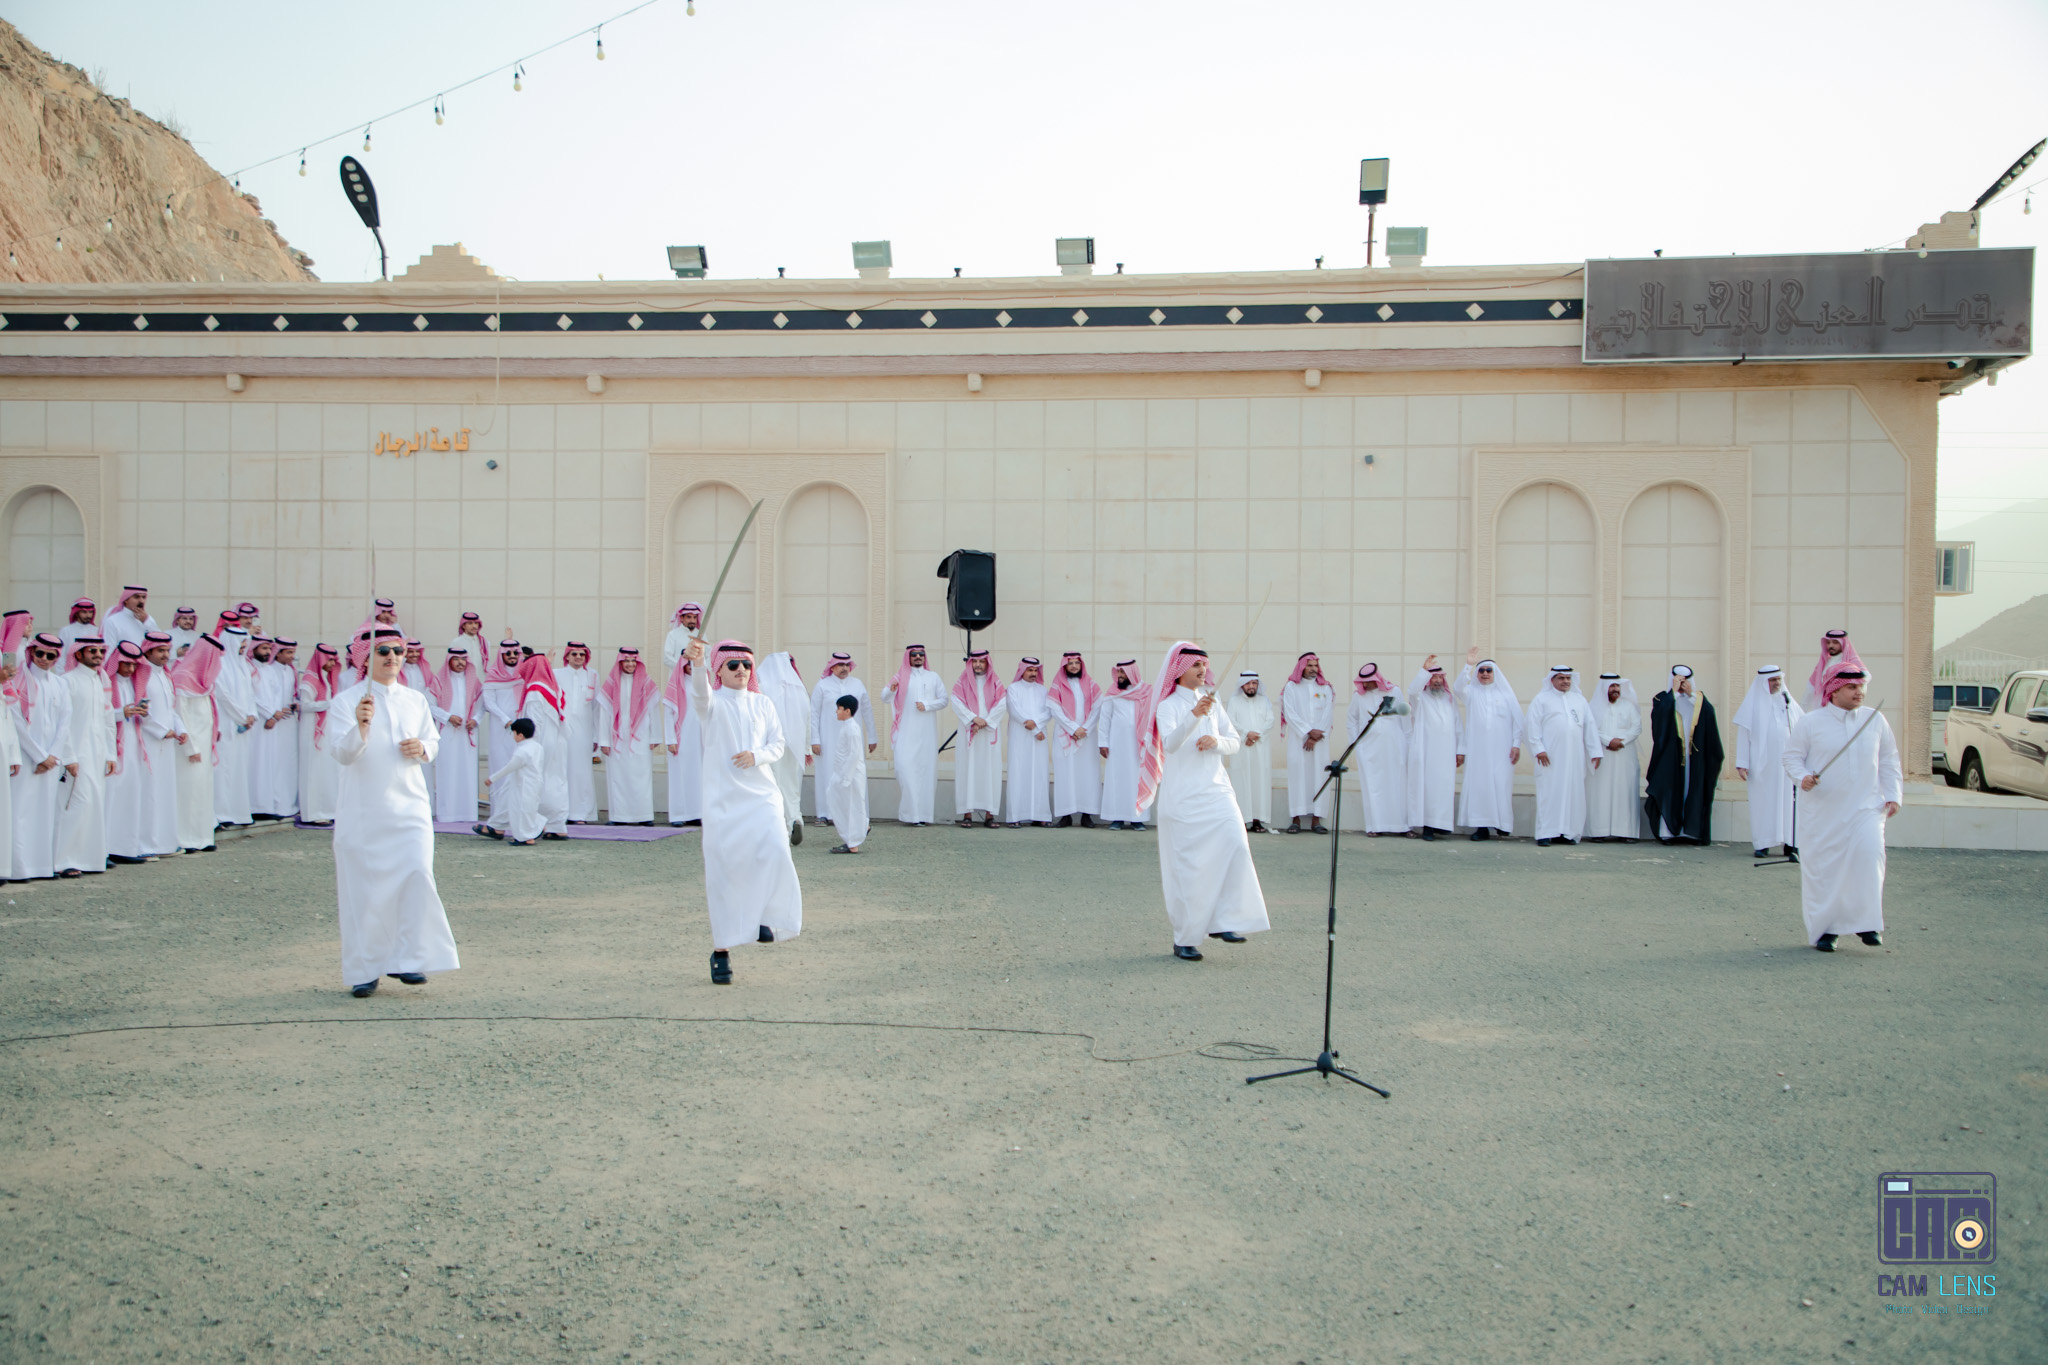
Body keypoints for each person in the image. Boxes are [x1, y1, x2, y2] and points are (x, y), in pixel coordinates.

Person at [332, 629, 459, 997]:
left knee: (417, 875)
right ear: (365, 657)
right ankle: (365, 969)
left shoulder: (415, 699)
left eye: (398, 651)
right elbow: (342, 754)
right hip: (363, 812)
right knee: (364, 890)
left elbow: (432, 741)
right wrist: (360, 726)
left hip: (410, 808)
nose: (392, 657)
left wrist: (422, 748)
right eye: (383, 650)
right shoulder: (346, 702)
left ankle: (409, 959)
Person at [1134, 643, 1269, 962]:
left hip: (1216, 790)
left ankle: (1225, 920)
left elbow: (1234, 742)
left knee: (1236, 844)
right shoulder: (1168, 706)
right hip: (1182, 796)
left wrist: (1216, 741)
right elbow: (1170, 743)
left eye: (1204, 666)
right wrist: (1194, 716)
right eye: (1196, 665)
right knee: (1189, 867)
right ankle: (1185, 938)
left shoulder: (1213, 700)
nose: (1203, 670)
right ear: (1180, 670)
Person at [683, 638, 803, 985]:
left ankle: (765, 916)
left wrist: (756, 755)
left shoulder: (763, 703)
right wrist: (698, 663)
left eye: (747, 665)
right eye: (733, 665)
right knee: (725, 871)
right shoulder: (712, 703)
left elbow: (777, 744)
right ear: (720, 670)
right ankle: (721, 950)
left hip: (762, 796)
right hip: (723, 800)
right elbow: (700, 694)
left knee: (775, 850)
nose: (741, 671)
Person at [1783, 666, 1900, 952]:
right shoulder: (1811, 722)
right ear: (1834, 691)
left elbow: (1889, 758)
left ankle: (1867, 923)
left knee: (1869, 858)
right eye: (1852, 688)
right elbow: (1791, 757)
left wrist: (1893, 794)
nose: (1859, 692)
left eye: (1862, 687)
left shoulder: (1875, 719)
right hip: (1823, 812)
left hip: (1866, 808)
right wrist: (1803, 777)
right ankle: (1828, 930)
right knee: (1827, 870)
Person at [104, 640, 184, 862]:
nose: (130, 669)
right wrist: (122, 713)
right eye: (126, 664)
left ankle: (128, 848)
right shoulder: (107, 683)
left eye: (133, 665)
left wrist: (143, 713)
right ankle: (109, 848)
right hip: (113, 745)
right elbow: (99, 714)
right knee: (114, 796)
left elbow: (147, 714)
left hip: (135, 745)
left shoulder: (134, 684)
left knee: (133, 796)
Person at [8, 633, 73, 880]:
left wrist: (53, 755)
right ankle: (19, 869)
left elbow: (65, 721)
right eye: (40, 653)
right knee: (21, 812)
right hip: (27, 758)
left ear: (57, 658)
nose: (44, 659)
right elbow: (17, 721)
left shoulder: (60, 684)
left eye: (50, 655)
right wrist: (39, 756)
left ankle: (42, 867)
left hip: (50, 761)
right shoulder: (19, 681)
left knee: (45, 813)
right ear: (31, 652)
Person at [1644, 664, 1724, 845]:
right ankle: (1668, 833)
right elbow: (1659, 722)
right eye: (1678, 681)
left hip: (1694, 759)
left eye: (1684, 681)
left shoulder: (1699, 701)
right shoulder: (1662, 699)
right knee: (1670, 790)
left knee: (1693, 791)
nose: (1681, 685)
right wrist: (1672, 693)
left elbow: (1709, 718)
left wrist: (1691, 695)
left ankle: (1691, 833)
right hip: (1671, 758)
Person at [54, 636, 113, 878]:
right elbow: (63, 723)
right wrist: (68, 756)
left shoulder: (100, 680)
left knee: (94, 803)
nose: (98, 655)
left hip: (97, 753)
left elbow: (107, 720)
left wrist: (111, 754)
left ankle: (90, 858)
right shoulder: (67, 681)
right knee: (77, 803)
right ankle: (64, 860)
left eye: (101, 651)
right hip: (77, 754)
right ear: (78, 654)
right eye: (92, 651)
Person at [1524, 665, 1601, 846]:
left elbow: (1590, 727)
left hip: (1575, 757)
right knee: (1549, 793)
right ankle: (1545, 833)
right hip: (1550, 758)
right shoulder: (1541, 699)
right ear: (1552, 680)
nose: (1566, 681)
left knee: (1573, 794)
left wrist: (1595, 751)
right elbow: (1531, 726)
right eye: (1561, 678)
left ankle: (1567, 833)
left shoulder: (1579, 700)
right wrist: (1538, 749)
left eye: (1568, 678)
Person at [1735, 665, 1804, 858]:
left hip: (1787, 766)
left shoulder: (1788, 703)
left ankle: (1791, 844)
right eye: (1773, 680)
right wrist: (1742, 762)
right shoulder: (1752, 705)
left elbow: (1802, 729)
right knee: (1763, 804)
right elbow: (1744, 735)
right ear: (1764, 683)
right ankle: (1763, 844)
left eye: (1779, 679)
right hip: (1762, 765)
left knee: (1789, 804)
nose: (1777, 683)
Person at [1455, 650, 1521, 840]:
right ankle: (1481, 827)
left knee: (1501, 785)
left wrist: (1516, 744)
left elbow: (1518, 721)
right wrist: (1468, 665)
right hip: (1478, 751)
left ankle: (1502, 825)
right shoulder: (1471, 693)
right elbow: (1458, 687)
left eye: (1488, 670)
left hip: (1503, 750)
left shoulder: (1507, 695)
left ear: (1495, 673)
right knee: (1480, 786)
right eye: (1481, 670)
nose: (1485, 673)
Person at [169, 633, 223, 853]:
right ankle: (185, 839)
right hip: (189, 749)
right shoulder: (182, 677)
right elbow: (180, 717)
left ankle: (203, 837)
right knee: (187, 793)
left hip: (205, 746)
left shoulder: (204, 682)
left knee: (202, 791)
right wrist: (190, 748)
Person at [880, 645, 946, 825]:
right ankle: (910, 815)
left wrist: (928, 705)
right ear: (908, 657)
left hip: (927, 736)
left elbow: (944, 700)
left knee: (926, 774)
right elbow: (884, 697)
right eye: (914, 654)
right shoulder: (900, 677)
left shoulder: (933, 677)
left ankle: (923, 816)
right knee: (905, 771)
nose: (918, 657)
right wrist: (892, 689)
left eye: (921, 654)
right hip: (905, 734)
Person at [808, 654, 875, 827]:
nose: (845, 668)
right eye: (840, 665)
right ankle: (825, 814)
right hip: (827, 740)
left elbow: (867, 711)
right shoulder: (822, 686)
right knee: (826, 774)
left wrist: (872, 737)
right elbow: (813, 714)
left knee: (853, 773)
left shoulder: (857, 684)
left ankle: (854, 815)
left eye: (847, 664)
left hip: (852, 739)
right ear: (832, 667)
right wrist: (814, 739)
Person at [1346, 664, 1410, 836]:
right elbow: (1351, 720)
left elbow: (1405, 722)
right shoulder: (1358, 697)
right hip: (1368, 749)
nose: (1365, 685)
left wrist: (1407, 745)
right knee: (1373, 787)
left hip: (1394, 747)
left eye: (1368, 681)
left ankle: (1402, 826)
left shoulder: (1394, 691)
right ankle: (1375, 826)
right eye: (1363, 682)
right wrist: (1356, 744)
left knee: (1397, 785)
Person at [511, 653, 569, 840]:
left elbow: (534, 725)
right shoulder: (554, 688)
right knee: (557, 781)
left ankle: (536, 825)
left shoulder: (535, 690)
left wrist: (528, 749)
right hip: (558, 742)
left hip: (541, 743)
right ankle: (557, 826)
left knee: (535, 784)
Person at [756, 651, 811, 844]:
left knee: (774, 786)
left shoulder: (762, 688)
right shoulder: (800, 689)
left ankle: (781, 830)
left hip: (771, 746)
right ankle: (795, 819)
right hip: (795, 747)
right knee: (792, 787)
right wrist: (807, 749)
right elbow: (808, 719)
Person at [599, 647, 659, 824]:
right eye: (626, 661)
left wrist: (655, 737)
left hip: (641, 736)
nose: (630, 664)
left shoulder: (647, 684)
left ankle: (644, 816)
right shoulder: (611, 684)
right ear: (620, 662)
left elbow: (654, 712)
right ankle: (619, 817)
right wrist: (604, 741)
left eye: (633, 661)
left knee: (641, 776)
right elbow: (604, 714)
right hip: (616, 737)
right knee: (618, 777)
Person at [951, 649, 1007, 828]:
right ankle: (967, 815)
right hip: (970, 732)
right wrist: (974, 719)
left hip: (988, 733)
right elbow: (956, 702)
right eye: (975, 662)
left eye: (981, 662)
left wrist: (986, 722)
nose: (978, 665)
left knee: (990, 772)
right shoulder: (962, 682)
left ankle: (990, 815)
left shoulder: (996, 681)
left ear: (987, 663)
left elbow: (1002, 704)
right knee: (967, 771)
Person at [1404, 658, 1459, 840]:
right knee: (1428, 788)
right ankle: (1428, 826)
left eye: (1440, 677)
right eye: (1433, 677)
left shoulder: (1449, 699)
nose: (1437, 681)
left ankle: (1441, 825)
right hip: (1427, 751)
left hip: (1447, 752)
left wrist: (1461, 750)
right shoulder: (1421, 699)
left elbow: (1458, 725)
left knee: (1444, 787)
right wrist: (1424, 671)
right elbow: (1412, 691)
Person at [1046, 652, 1102, 828]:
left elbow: (1098, 707)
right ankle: (1065, 815)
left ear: (1081, 665)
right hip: (1065, 735)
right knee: (1065, 774)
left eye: (1077, 663)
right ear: (1065, 665)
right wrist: (1073, 729)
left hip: (1087, 736)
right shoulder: (1057, 685)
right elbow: (1054, 709)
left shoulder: (1091, 684)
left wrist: (1085, 729)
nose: (1074, 666)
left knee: (1088, 774)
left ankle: (1087, 815)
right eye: (1070, 663)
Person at [1279, 653, 1335, 833]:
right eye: (1309, 665)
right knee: (1298, 776)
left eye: (1315, 665)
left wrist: (1315, 736)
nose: (1313, 669)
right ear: (1301, 667)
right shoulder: (1291, 687)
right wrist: (1307, 732)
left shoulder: (1325, 688)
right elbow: (1290, 713)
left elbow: (1328, 713)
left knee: (1320, 776)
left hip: (1319, 742)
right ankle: (1296, 818)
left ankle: (1316, 820)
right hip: (1298, 741)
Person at [426, 645, 482, 824]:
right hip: (447, 732)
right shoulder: (438, 681)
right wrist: (448, 717)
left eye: (463, 659)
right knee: (447, 772)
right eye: (456, 659)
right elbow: (429, 705)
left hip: (468, 732)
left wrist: (475, 720)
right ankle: (447, 813)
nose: (460, 663)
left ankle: (468, 813)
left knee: (467, 772)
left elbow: (482, 705)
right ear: (449, 661)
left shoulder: (474, 682)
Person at [211, 627, 259, 828]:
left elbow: (251, 694)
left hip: (243, 726)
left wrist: (251, 715)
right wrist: (242, 716)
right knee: (223, 769)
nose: (243, 646)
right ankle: (222, 814)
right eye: (241, 643)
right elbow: (223, 696)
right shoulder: (220, 665)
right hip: (226, 723)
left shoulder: (244, 666)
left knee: (239, 768)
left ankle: (238, 813)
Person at [1585, 674, 1643, 841]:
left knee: (1625, 791)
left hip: (1625, 755)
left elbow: (1637, 727)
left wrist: (1621, 741)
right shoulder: (1593, 707)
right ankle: (1599, 831)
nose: (1616, 689)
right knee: (1600, 792)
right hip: (1602, 754)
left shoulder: (1629, 706)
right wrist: (1608, 741)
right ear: (1604, 688)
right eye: (1612, 686)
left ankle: (1625, 832)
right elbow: (1590, 729)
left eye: (1617, 686)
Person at [1091, 659, 1146, 830]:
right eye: (1118, 672)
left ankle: (1137, 819)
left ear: (1132, 673)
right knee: (1117, 779)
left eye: (1123, 672)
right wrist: (1103, 743)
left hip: (1138, 745)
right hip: (1117, 745)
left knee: (1137, 780)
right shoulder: (1112, 692)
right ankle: (1117, 818)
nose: (1120, 675)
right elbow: (1105, 718)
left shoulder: (1145, 692)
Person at [296, 644, 344, 825]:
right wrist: (329, 704)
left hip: (326, 731)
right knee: (313, 771)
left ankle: (327, 810)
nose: (332, 664)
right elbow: (304, 705)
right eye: (329, 660)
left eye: (334, 660)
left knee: (326, 770)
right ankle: (313, 814)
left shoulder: (327, 679)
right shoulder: (310, 680)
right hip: (311, 731)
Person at [253, 638, 300, 820]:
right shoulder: (269, 670)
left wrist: (294, 704)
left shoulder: (291, 671)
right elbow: (263, 696)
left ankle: (287, 805)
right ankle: (275, 804)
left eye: (293, 652)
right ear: (278, 653)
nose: (292, 656)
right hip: (272, 722)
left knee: (288, 763)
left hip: (288, 722)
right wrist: (273, 714)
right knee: (274, 763)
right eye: (288, 652)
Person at [1222, 670, 1276, 833]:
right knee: (1242, 781)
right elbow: (1231, 721)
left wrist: (1255, 735)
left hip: (1260, 748)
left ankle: (1257, 820)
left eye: (1254, 683)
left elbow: (1270, 720)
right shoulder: (1234, 701)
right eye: (1248, 683)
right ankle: (1242, 820)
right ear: (1242, 685)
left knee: (1259, 782)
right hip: (1242, 748)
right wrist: (1247, 734)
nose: (1251, 686)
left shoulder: (1264, 701)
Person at [1002, 657, 1053, 827]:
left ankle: (1040, 815)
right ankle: (1015, 816)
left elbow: (1048, 712)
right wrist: (1035, 729)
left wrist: (1036, 725)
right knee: (1018, 773)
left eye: (1035, 670)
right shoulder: (1013, 689)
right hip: (1020, 736)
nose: (1033, 673)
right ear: (1022, 671)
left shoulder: (1043, 690)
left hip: (1039, 739)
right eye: (1030, 670)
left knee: (1040, 773)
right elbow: (1015, 711)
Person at [481, 716, 545, 845]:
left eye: (514, 733)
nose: (513, 736)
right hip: (535, 783)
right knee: (529, 810)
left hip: (522, 785)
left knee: (519, 810)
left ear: (520, 735)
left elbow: (508, 768)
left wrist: (492, 779)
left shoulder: (522, 752)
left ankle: (525, 837)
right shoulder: (537, 747)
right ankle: (533, 831)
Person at [558, 641, 601, 823]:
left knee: (582, 772)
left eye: (582, 654)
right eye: (574, 654)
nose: (578, 657)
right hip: (562, 730)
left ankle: (582, 813)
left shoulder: (593, 675)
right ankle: (561, 812)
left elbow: (597, 708)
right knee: (562, 770)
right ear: (567, 656)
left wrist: (597, 736)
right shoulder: (557, 674)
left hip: (584, 732)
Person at [662, 645, 701, 827]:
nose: (691, 666)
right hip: (681, 738)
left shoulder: (703, 684)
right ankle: (678, 814)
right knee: (679, 776)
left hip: (700, 739)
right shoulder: (676, 685)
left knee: (698, 775)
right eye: (688, 663)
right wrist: (670, 740)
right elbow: (668, 715)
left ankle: (696, 813)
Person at [827, 694, 870, 854]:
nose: (836, 712)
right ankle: (861, 828)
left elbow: (854, 754)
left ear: (847, 711)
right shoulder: (847, 727)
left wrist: (846, 778)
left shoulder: (852, 729)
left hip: (851, 776)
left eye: (839, 708)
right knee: (838, 801)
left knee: (851, 806)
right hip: (843, 773)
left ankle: (853, 843)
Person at [1803, 630, 1862, 712]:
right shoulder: (1824, 663)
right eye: (1828, 642)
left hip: (1842, 708)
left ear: (1843, 643)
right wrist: (1801, 711)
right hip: (1823, 707)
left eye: (1835, 642)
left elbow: (1865, 678)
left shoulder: (1851, 662)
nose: (1831, 645)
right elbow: (1810, 688)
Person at [102, 586, 156, 656]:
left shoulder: (148, 619)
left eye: (143, 597)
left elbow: (159, 641)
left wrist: (146, 621)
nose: (141, 601)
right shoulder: (113, 620)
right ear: (126, 600)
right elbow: (109, 648)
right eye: (136, 597)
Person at [661, 601, 705, 669]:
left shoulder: (701, 635)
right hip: (678, 674)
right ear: (681, 618)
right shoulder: (673, 635)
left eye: (694, 617)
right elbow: (667, 658)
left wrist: (701, 669)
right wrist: (683, 667)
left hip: (697, 673)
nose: (692, 620)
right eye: (689, 617)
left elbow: (707, 656)